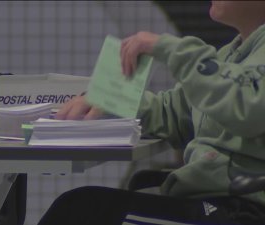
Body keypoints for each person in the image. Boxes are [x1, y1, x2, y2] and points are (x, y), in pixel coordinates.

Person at [37, 1, 265, 225]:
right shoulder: (231, 54)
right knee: (107, 197)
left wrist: (170, 49)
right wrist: (113, 103)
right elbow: (177, 112)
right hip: (217, 203)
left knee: (84, 210)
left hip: (244, 211)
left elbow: (249, 103)